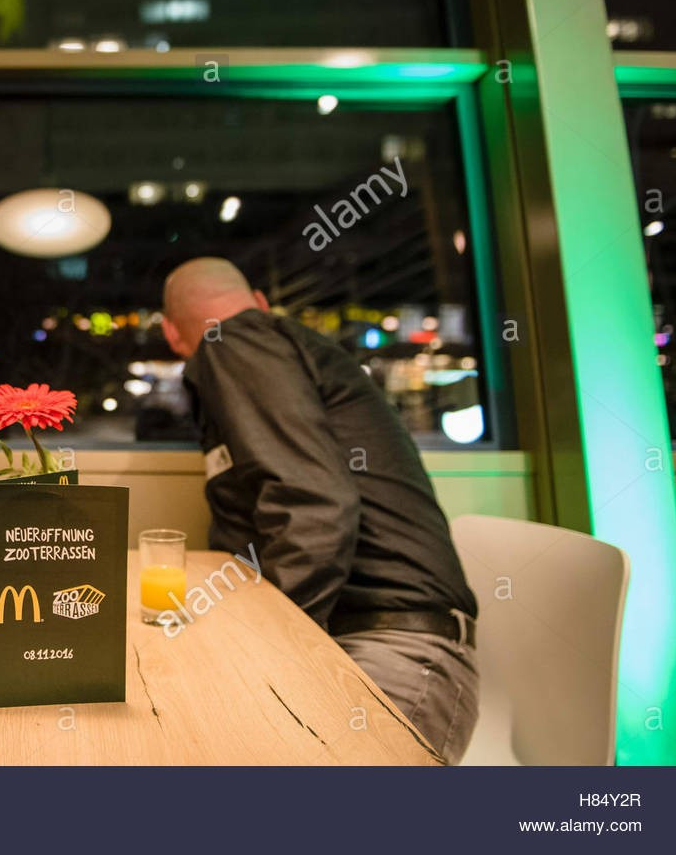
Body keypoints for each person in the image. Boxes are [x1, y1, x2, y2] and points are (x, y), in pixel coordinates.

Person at [161, 257, 479, 764]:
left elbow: (315, 508)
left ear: (171, 334)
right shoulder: (273, 344)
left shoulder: (234, 341)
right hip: (388, 642)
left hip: (394, 652)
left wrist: (265, 653)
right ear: (263, 302)